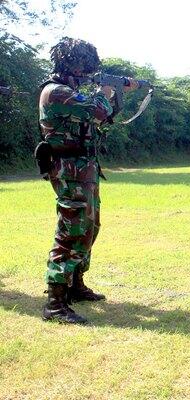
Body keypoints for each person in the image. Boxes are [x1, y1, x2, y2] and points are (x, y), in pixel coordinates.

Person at [39, 37, 138, 324]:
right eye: (85, 68)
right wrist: (107, 90)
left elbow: (102, 118)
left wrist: (115, 92)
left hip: (83, 168)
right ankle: (55, 302)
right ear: (73, 65)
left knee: (89, 226)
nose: (87, 74)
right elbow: (98, 110)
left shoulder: (69, 91)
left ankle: (75, 284)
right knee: (72, 228)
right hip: (69, 168)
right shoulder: (56, 92)